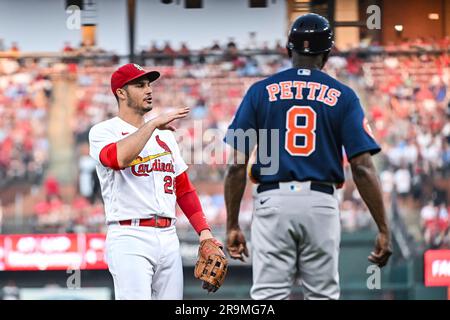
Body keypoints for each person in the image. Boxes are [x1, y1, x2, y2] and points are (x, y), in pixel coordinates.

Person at [223, 13, 392, 300]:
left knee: (267, 297)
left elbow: (237, 165)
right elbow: (362, 167)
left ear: (289, 50)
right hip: (320, 203)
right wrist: (383, 228)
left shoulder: (259, 92)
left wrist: (232, 224)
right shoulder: (344, 96)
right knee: (323, 296)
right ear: (326, 54)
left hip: (272, 202)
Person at [88, 63, 222, 299]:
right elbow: (118, 158)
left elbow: (184, 189)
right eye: (140, 85)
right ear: (121, 92)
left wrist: (204, 232)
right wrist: (152, 125)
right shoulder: (103, 131)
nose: (148, 90)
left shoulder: (164, 136)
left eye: (149, 84)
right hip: (130, 236)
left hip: (168, 236)